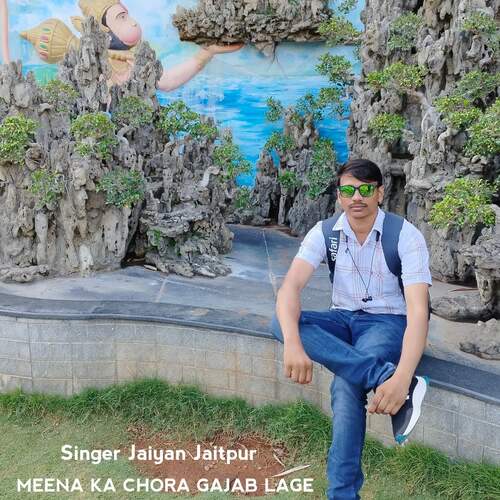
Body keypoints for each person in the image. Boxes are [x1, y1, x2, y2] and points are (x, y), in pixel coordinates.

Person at [270, 158, 432, 499]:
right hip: (342, 318)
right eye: (348, 190)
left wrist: (403, 374)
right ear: (339, 196)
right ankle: (382, 376)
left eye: (365, 190)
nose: (356, 197)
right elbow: (289, 289)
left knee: (346, 385)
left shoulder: (405, 236)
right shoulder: (326, 232)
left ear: (380, 193)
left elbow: (419, 312)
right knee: (281, 321)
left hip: (387, 322)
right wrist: (293, 344)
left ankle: (341, 494)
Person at [15, 0, 243, 89]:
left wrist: (206, 54)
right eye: (121, 18)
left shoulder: (132, 59)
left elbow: (165, 81)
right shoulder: (97, 65)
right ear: (103, 30)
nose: (132, 21)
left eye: (127, 15)